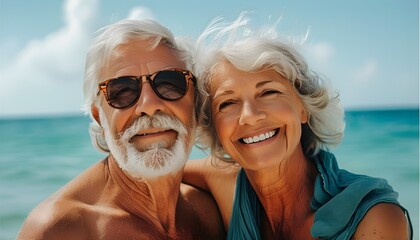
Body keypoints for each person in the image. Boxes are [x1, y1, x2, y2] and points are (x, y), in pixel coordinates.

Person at [183, 14, 413, 239]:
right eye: (228, 103)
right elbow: (157, 176)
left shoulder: (374, 219)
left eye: (268, 92)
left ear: (303, 107)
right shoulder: (225, 180)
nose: (250, 116)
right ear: (215, 128)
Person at [17, 19, 225, 239]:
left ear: (195, 103)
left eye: (170, 83)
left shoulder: (207, 210)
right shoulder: (62, 229)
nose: (149, 105)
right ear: (99, 117)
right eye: (122, 91)